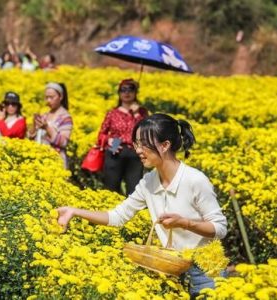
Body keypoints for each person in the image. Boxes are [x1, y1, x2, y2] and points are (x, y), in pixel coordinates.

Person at [57, 113, 228, 298]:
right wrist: (74, 211)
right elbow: (117, 216)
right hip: (171, 269)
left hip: (205, 271)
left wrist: (185, 223)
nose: (137, 150)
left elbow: (219, 228)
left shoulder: (195, 180)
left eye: (143, 144)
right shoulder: (148, 181)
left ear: (165, 145)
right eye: (136, 143)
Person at [97, 78, 148, 195]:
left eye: (131, 89)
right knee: (111, 187)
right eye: (123, 90)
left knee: (134, 189)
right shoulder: (112, 113)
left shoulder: (142, 112)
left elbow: (145, 131)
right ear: (119, 93)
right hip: (115, 148)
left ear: (135, 93)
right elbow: (101, 134)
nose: (127, 93)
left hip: (135, 150)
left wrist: (136, 114)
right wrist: (108, 140)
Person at [28, 82, 73, 168]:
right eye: (46, 97)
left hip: (55, 163)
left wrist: (47, 128)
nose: (48, 100)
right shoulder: (45, 115)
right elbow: (31, 138)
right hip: (39, 160)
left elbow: (63, 142)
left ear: (61, 97)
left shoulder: (65, 118)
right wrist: (34, 124)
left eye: (51, 97)